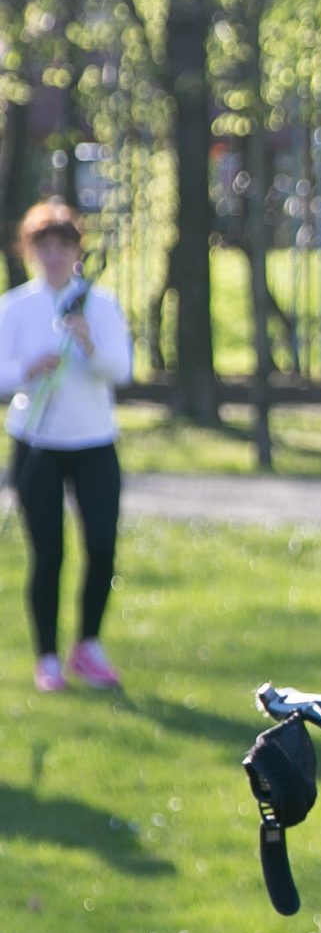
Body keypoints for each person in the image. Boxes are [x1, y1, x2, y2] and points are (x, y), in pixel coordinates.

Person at [1, 200, 134, 693]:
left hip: (94, 441)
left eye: (63, 246)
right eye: (44, 247)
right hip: (36, 443)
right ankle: (48, 657)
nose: (54, 256)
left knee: (100, 545)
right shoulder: (16, 306)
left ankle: (89, 645)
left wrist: (90, 344)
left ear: (77, 249)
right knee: (48, 551)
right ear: (30, 251)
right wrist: (26, 370)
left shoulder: (99, 304)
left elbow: (121, 371)